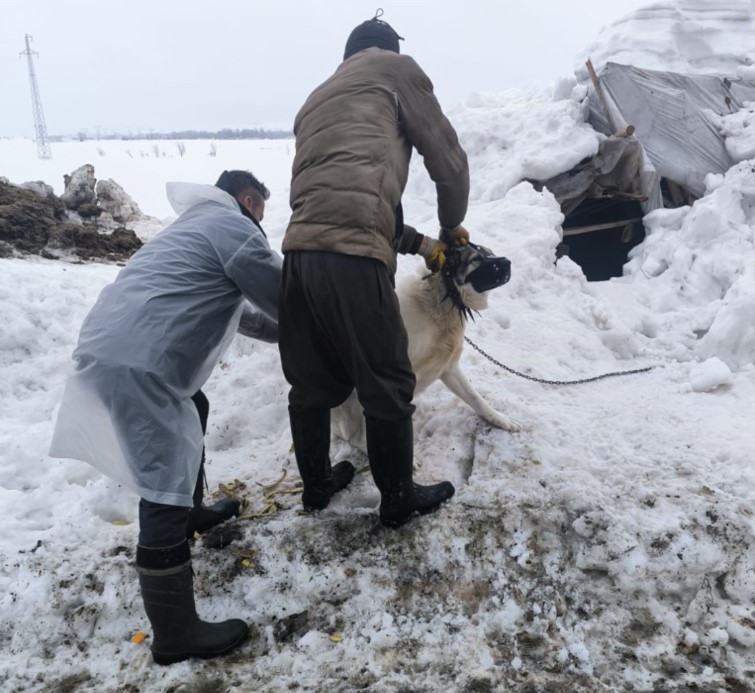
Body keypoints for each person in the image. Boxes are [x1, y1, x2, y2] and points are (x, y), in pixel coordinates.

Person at [49, 170, 281, 664]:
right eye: (261, 209)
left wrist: (284, 330)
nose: (262, 220)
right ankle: (175, 634)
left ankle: (191, 514)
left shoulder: (192, 227)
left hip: (113, 349)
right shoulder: (233, 227)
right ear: (247, 200)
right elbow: (288, 296)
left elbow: (244, 314)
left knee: (195, 406)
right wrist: (338, 313)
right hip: (140, 366)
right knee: (162, 486)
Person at [278, 11, 471, 528]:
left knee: (310, 379)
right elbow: (449, 161)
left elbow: (345, 195)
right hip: (355, 256)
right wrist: (451, 227)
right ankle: (398, 497)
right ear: (387, 49)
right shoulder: (395, 70)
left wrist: (423, 244)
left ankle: (316, 486)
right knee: (386, 376)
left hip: (298, 255)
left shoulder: (316, 97)